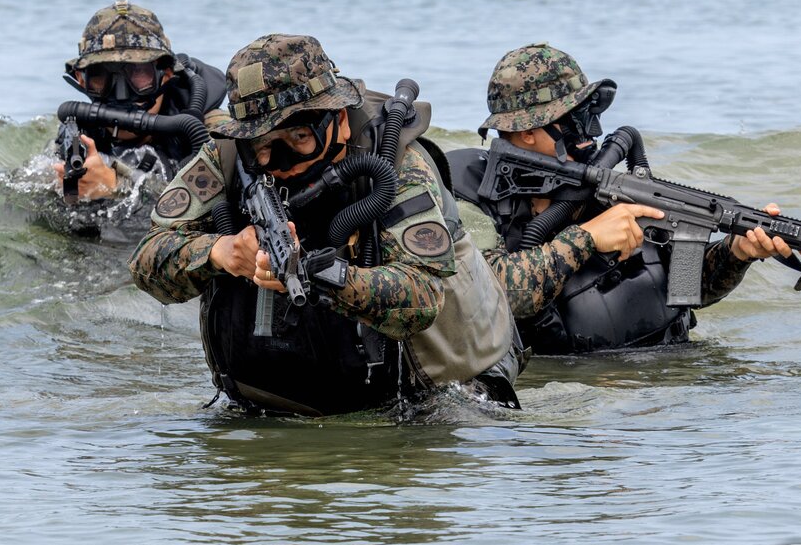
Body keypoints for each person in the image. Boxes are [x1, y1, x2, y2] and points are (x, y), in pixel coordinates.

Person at [130, 34, 523, 416]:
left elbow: (422, 298)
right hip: (270, 402)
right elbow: (147, 259)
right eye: (262, 145)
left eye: (300, 137)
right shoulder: (227, 157)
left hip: (426, 394)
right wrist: (220, 252)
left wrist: (324, 278)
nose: (279, 162)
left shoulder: (396, 165)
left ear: (340, 121)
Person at [447, 43, 792, 354]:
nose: (592, 132)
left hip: (668, 373)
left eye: (591, 114)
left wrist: (736, 252)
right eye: (576, 119)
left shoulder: (599, 184)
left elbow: (684, 287)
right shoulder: (470, 196)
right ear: (527, 132)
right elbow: (489, 294)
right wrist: (587, 237)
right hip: (572, 390)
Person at [55, 1, 227, 204]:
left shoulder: (213, 132)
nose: (120, 95)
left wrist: (116, 187)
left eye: (138, 73)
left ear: (166, 74)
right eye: (101, 74)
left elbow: (215, 206)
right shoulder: (77, 135)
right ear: (81, 79)